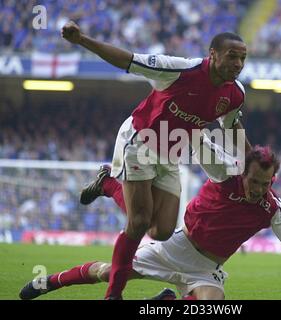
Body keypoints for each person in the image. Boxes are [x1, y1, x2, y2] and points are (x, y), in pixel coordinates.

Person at [61, 21, 251, 299]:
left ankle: (109, 184)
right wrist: (82, 40)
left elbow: (233, 129)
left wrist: (255, 163)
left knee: (161, 231)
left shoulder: (235, 93)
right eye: (232, 56)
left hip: (171, 154)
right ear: (213, 54)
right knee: (138, 223)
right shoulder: (179, 70)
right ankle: (114, 294)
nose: (238, 63)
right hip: (140, 141)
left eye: (243, 58)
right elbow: (128, 60)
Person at [19, 137, 281, 300]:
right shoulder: (226, 173)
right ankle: (48, 282)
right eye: (254, 181)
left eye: (266, 183)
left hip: (207, 269)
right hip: (174, 247)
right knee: (107, 272)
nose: (259, 189)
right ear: (244, 172)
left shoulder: (272, 207)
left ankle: (166, 298)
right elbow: (199, 140)